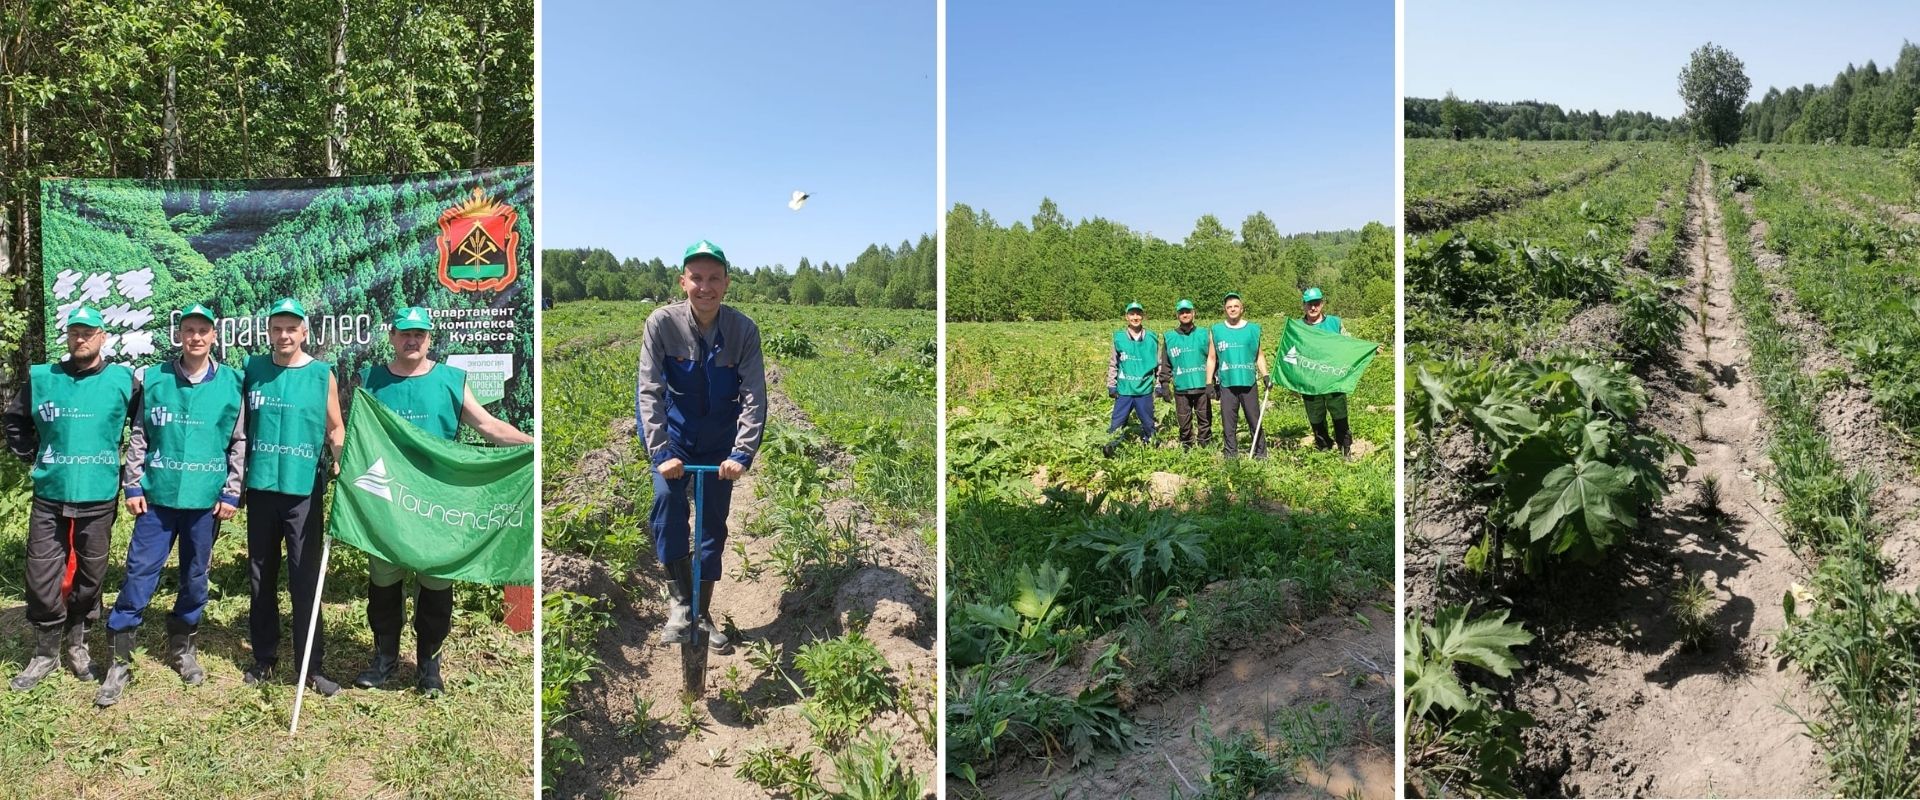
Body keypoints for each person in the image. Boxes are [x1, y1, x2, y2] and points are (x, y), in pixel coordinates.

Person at [352, 306, 531, 698]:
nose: (411, 340)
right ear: (392, 337)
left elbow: (488, 426)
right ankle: (384, 659)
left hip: (436, 503)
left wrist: (533, 447)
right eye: (404, 333)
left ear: (430, 338)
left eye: (419, 334)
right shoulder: (372, 382)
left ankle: (429, 665)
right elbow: (354, 436)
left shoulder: (450, 381)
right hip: (387, 501)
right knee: (384, 582)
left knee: (436, 584)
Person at [99, 303, 246, 706]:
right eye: (189, 330)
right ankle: (119, 662)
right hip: (157, 499)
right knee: (139, 573)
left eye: (203, 331)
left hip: (205, 501)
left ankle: (182, 649)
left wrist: (232, 491)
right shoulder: (157, 379)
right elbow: (140, 435)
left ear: (215, 336)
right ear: (178, 335)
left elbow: (238, 442)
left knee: (196, 575)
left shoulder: (232, 383)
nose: (196, 337)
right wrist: (132, 486)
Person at [635, 239, 767, 652]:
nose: (704, 287)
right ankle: (679, 603)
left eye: (713, 278)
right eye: (697, 278)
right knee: (667, 501)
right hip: (675, 437)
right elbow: (649, 391)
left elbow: (754, 396)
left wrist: (741, 453)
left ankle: (703, 612)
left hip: (719, 443)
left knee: (713, 525)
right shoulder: (662, 323)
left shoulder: (743, 330)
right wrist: (661, 453)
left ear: (726, 283)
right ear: (683, 282)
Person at [2, 306, 138, 691]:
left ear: (102, 337)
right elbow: (15, 420)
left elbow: (144, 426)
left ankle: (78, 644)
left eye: (89, 333)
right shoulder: (43, 377)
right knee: (41, 574)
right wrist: (32, 454)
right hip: (51, 494)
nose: (81, 339)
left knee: (91, 574)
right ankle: (45, 652)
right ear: (68, 336)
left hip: (98, 495)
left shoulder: (123, 381)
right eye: (75, 332)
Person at [241, 298, 346, 696]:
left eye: (292, 328)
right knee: (260, 576)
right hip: (262, 489)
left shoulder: (322, 375)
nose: (284, 335)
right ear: (268, 332)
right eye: (277, 328)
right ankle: (264, 657)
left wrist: (344, 468)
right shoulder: (253, 371)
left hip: (304, 492)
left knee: (305, 578)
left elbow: (335, 430)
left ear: (305, 332)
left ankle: (310, 666)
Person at [1209, 292, 1269, 458]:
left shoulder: (1252, 329)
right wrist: (1209, 382)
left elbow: (1259, 355)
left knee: (1254, 420)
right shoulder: (1217, 330)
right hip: (1227, 383)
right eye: (1229, 307)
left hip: (1248, 381)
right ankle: (1230, 455)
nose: (1232, 309)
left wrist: (1265, 375)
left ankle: (1260, 453)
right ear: (1225, 310)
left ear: (1242, 309)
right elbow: (1212, 358)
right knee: (1228, 423)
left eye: (1236, 306)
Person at [1297, 287, 1353, 457]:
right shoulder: (1297, 327)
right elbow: (1289, 353)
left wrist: (1369, 348)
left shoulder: (1334, 323)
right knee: (1315, 416)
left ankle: (1345, 448)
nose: (1313, 308)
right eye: (1309, 304)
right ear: (1304, 306)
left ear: (1322, 304)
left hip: (1333, 379)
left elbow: (1349, 343)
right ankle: (1323, 446)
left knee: (1339, 413)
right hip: (1309, 381)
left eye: (1316, 304)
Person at [1105, 301, 1165, 453]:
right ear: (1126, 317)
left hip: (1144, 390)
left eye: (1138, 314)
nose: (1135, 317)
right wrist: (1111, 384)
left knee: (1148, 423)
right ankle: (1111, 448)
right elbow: (1113, 363)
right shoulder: (1119, 338)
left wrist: (1159, 384)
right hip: (1124, 390)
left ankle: (1150, 449)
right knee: (1117, 423)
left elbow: (1159, 364)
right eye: (1132, 314)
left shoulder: (1151, 338)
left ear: (1143, 316)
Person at [1161, 299, 1214, 450]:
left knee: (1204, 419)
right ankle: (1186, 447)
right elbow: (1165, 362)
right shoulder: (1170, 337)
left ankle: (1205, 446)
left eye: (1187, 311)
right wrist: (1164, 383)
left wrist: (1214, 382)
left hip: (1201, 385)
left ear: (1193, 313)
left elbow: (1212, 358)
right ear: (1177, 315)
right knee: (1184, 421)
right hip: (1181, 387)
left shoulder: (1204, 334)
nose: (1185, 314)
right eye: (1181, 312)